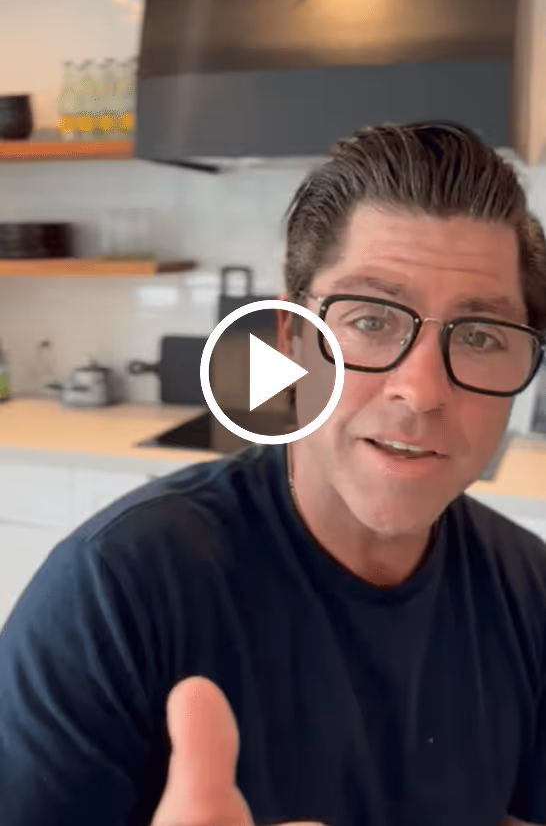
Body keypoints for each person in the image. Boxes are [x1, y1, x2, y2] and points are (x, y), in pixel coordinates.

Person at [1, 122, 546, 826]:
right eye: (370, 320)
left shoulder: (530, 593)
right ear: (291, 341)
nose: (420, 391)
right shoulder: (112, 594)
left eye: (478, 336)